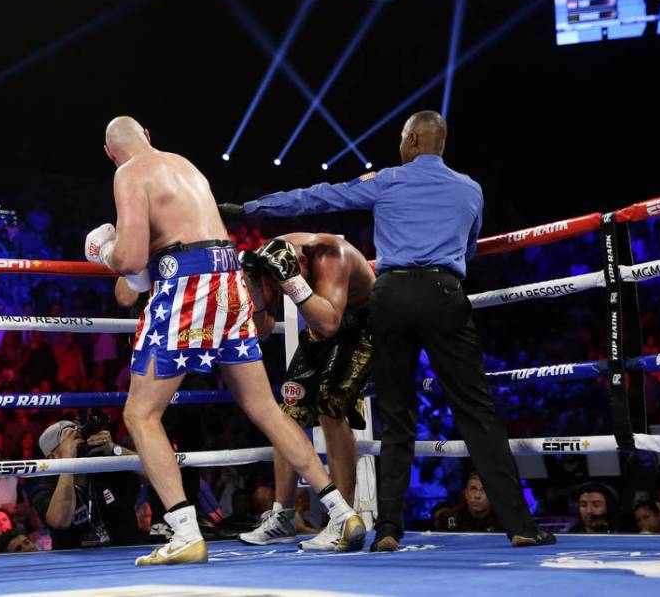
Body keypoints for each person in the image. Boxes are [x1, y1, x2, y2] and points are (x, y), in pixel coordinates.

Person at [219, 110, 554, 551]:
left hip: (391, 297)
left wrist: (251, 209)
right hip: (443, 292)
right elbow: (468, 249)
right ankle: (520, 527)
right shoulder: (470, 189)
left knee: (397, 415)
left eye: (401, 138)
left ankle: (390, 530)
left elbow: (320, 198)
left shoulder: (389, 179)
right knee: (477, 413)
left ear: (413, 139)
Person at [85, 116, 364, 565]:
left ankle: (184, 531)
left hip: (189, 287)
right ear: (149, 137)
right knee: (265, 408)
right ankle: (342, 513)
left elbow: (132, 258)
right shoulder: (184, 166)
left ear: (108, 154)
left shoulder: (128, 173)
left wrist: (103, 251)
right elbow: (143, 269)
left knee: (140, 413)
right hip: (230, 280)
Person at [238, 233, 374, 550]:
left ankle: (342, 520)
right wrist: (256, 290)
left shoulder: (332, 255)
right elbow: (263, 329)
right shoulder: (267, 260)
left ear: (300, 262)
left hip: (364, 321)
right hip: (320, 323)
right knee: (286, 413)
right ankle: (283, 516)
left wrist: (294, 282)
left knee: (330, 408)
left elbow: (330, 323)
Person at [28, 420, 140, 551]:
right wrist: (67, 460)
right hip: (75, 566)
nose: (79, 441)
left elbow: (156, 473)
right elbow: (60, 521)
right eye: (70, 439)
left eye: (79, 435)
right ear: (53, 457)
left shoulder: (108, 467)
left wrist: (115, 449)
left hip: (127, 557)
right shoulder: (45, 488)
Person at [434, 472, 503, 533]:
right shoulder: (448, 519)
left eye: (484, 490)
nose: (477, 496)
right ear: (466, 494)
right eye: (473, 489)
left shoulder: (503, 522)